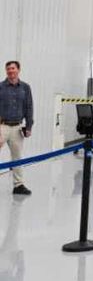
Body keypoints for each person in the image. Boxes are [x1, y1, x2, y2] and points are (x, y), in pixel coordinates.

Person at [0, 61, 33, 195]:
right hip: (2, 126)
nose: (10, 71)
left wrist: (29, 126)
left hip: (18, 127)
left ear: (18, 70)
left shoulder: (25, 87)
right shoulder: (1, 87)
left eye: (13, 68)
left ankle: (18, 185)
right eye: (8, 69)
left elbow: (29, 107)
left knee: (17, 157)